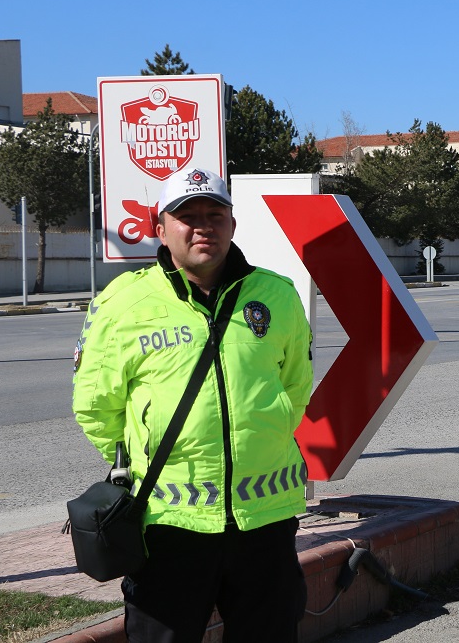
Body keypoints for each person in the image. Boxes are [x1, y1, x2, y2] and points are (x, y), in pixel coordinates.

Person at [73, 167, 313, 642]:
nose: (203, 226)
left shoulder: (277, 295)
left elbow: (295, 388)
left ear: (232, 225)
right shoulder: (123, 302)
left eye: (214, 214)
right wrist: (144, 461)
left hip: (264, 520)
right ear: (160, 229)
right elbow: (96, 405)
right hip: (170, 525)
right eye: (187, 216)